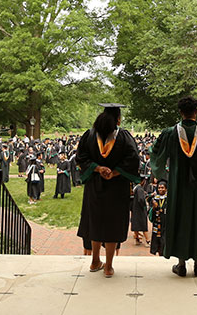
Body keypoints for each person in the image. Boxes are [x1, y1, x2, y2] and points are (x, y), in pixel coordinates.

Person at [150, 95, 197, 277]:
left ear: (181, 113)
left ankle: (181, 264)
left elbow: (155, 152)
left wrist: (162, 175)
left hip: (178, 186)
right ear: (196, 112)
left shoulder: (169, 133)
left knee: (180, 220)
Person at [76, 103, 141, 278]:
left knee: (95, 221)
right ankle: (108, 267)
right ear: (118, 119)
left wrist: (97, 168)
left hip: (95, 187)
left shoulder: (89, 136)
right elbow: (134, 159)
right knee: (112, 223)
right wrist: (114, 172)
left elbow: (80, 157)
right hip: (116, 187)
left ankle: (95, 261)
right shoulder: (124, 137)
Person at [149, 180, 168, 256]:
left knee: (164, 239)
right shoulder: (155, 199)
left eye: (162, 188)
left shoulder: (168, 199)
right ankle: (158, 252)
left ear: (166, 189)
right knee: (156, 239)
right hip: (157, 223)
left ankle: (163, 253)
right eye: (159, 188)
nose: (160, 189)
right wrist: (154, 208)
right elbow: (151, 212)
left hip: (165, 223)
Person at [130, 181, 150, 245]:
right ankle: (148, 241)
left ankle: (137, 239)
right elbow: (141, 199)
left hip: (135, 209)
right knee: (143, 225)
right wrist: (144, 206)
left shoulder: (135, 189)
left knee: (136, 225)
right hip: (140, 210)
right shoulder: (140, 189)